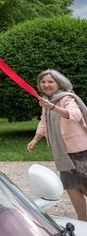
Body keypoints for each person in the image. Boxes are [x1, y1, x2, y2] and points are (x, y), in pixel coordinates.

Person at [27, 69, 87, 220]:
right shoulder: (47, 100)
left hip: (79, 150)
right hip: (61, 152)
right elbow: (44, 121)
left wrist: (52, 107)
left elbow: (75, 114)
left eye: (50, 81)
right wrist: (35, 139)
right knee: (71, 187)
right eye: (43, 82)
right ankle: (82, 220)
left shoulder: (66, 98)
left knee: (84, 186)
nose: (46, 84)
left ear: (59, 83)